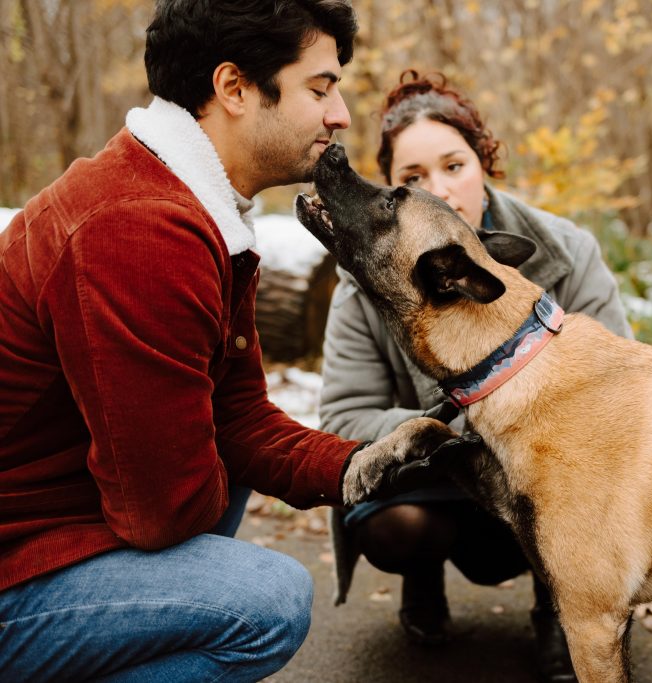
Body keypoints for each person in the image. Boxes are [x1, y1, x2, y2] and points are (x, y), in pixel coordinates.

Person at [0, 2, 429, 680]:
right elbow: (161, 515)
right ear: (234, 88)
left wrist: (366, 463)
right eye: (320, 89)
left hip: (60, 521)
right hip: (17, 561)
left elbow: (239, 416)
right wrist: (215, 454)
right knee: (266, 601)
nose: (341, 115)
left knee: (219, 473)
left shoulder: (185, 200)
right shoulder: (140, 230)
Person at [319, 70, 633, 683]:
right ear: (391, 189)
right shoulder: (362, 282)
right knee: (395, 529)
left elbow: (619, 393)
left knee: (568, 482)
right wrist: (457, 432)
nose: (440, 189)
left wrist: (517, 431)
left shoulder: (566, 251)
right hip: (431, 485)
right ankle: (421, 576)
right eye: (413, 178)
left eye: (454, 165)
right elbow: (343, 417)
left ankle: (564, 609)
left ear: (483, 162)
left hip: (546, 479)